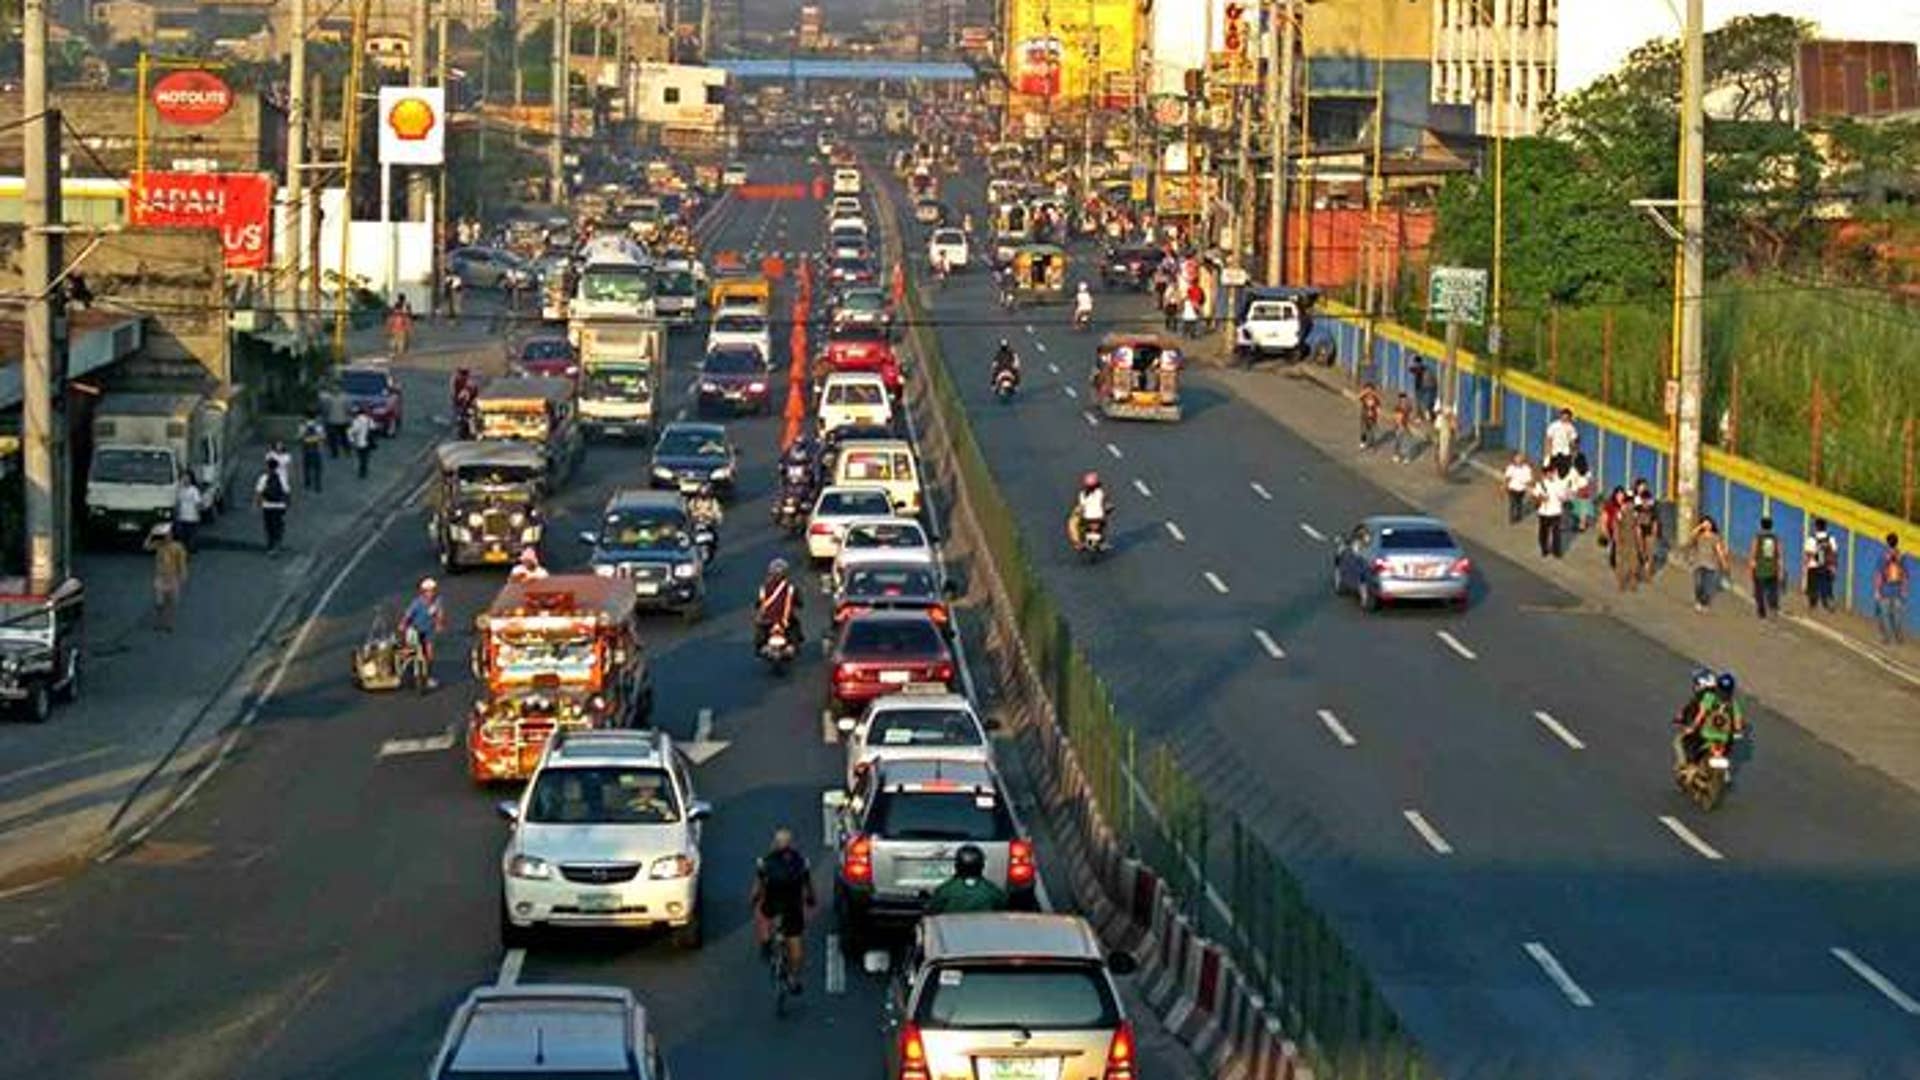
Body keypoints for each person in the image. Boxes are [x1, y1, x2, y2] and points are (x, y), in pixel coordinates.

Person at [750, 828, 816, 994]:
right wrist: (810, 899)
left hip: (772, 903)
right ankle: (793, 978)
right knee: (795, 943)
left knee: (762, 913)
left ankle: (765, 943)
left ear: (775, 844)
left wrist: (753, 899)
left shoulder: (765, 862)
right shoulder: (801, 861)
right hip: (793, 907)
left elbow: (757, 888)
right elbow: (808, 888)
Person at [1673, 671, 1745, 770]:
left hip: (1706, 734)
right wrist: (1737, 732)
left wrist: (1692, 727)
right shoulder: (1734, 704)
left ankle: (1686, 766)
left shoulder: (1710, 698)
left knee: (1681, 741)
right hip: (1723, 739)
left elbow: (1701, 715)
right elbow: (1738, 724)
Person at [926, 844, 1008, 914]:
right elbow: (1003, 910)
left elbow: (932, 911)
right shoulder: (993, 891)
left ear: (957, 866)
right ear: (982, 866)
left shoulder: (945, 890)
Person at [399, 577, 446, 689]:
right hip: (415, 630)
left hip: (429, 630)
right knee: (412, 650)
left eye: (432, 591)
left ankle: (427, 676)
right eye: (428, 591)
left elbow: (440, 613)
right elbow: (408, 615)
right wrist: (403, 624)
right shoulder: (417, 603)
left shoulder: (438, 601)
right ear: (423, 592)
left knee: (429, 654)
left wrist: (439, 623)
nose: (430, 594)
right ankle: (408, 670)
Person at [144, 523, 189, 632]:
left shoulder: (177, 547)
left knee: (170, 603)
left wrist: (183, 573)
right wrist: (151, 534)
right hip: (160, 577)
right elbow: (146, 546)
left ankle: (169, 624)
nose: (167, 537)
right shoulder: (158, 544)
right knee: (159, 603)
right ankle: (158, 622)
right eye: (165, 535)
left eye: (169, 535)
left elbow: (182, 561)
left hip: (172, 577)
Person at [1684, 515, 1732, 612]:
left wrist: (1724, 563)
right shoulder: (1698, 535)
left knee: (1707, 587)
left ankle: (1704, 603)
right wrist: (1699, 527)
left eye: (1709, 523)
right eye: (1705, 523)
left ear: (1712, 524)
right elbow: (1690, 538)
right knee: (1698, 584)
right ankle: (1698, 601)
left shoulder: (1715, 537)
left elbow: (1719, 551)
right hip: (1698, 563)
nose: (1707, 525)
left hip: (1711, 565)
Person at [754, 558, 802, 649]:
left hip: (768, 619)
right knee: (796, 627)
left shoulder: (764, 587)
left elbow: (760, 602)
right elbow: (799, 602)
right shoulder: (791, 587)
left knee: (759, 628)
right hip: (785, 620)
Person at [1874, 532, 1909, 645]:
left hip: (1885, 590)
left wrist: (1877, 591)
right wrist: (1904, 590)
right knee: (1897, 616)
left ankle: (1886, 638)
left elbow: (1879, 574)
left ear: (1887, 542)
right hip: (1898, 590)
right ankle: (1899, 638)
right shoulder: (1901, 556)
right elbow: (1904, 575)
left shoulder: (1883, 556)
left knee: (1884, 615)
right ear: (1896, 542)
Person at [254, 457, 290, 555]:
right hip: (279, 505)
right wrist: (287, 504)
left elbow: (259, 491)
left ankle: (270, 545)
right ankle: (277, 543)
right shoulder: (282, 477)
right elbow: (286, 491)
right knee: (278, 524)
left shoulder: (263, 477)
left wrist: (257, 503)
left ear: (267, 466)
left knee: (269, 526)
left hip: (267, 505)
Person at [1750, 515, 1784, 619]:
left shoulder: (1757, 537)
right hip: (1773, 569)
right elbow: (1780, 554)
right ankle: (1773, 607)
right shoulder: (1775, 538)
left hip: (1760, 569)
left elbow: (1753, 553)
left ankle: (1762, 611)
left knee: (1759, 591)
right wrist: (1781, 569)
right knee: (1773, 590)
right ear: (1771, 526)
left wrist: (1751, 568)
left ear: (1761, 525)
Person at [1803, 517, 1839, 613]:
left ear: (1816, 527)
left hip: (1813, 566)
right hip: (1826, 566)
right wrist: (1834, 567)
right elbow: (1834, 553)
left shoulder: (1811, 538)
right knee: (1826, 586)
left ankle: (1812, 605)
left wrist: (1805, 565)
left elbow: (1808, 553)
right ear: (1825, 527)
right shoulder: (1831, 538)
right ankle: (1827, 603)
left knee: (1812, 587)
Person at [1068, 471, 1109, 551]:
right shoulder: (1101, 492)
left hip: (1087, 518)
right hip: (1100, 519)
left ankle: (1077, 543)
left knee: (1072, 522)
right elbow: (1104, 504)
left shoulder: (1082, 494)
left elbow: (1082, 507)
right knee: (1105, 518)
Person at [172, 475, 204, 553]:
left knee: (191, 535)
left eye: (187, 479)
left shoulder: (194, 490)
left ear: (190, 481)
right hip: (182, 517)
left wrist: (199, 511)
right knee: (183, 536)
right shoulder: (180, 490)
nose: (185, 481)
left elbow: (198, 503)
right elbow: (178, 503)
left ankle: (191, 549)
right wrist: (176, 514)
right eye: (184, 479)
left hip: (192, 517)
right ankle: (185, 550)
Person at [1501, 452, 1534, 525]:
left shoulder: (1527, 468)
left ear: (1523, 459)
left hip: (1521, 489)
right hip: (1512, 488)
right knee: (1512, 503)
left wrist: (1530, 488)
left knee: (1519, 503)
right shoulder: (1511, 468)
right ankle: (1511, 518)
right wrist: (1504, 486)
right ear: (1514, 459)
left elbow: (1529, 480)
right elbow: (1507, 478)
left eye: (1520, 458)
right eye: (1517, 458)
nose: (1519, 459)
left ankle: (1518, 515)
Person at [322, 383, 351, 459]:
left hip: (342, 421)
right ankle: (335, 453)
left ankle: (347, 451)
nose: (335, 390)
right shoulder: (329, 398)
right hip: (332, 421)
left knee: (344, 437)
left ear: (340, 389)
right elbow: (326, 409)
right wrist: (325, 417)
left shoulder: (344, 397)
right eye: (334, 389)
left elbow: (348, 409)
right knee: (333, 439)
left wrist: (348, 418)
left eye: (337, 388)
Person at [299, 413, 325, 493]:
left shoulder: (303, 425)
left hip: (306, 448)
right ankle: (318, 485)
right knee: (317, 468)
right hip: (316, 448)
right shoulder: (318, 425)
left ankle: (307, 482)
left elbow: (300, 436)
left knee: (306, 466)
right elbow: (323, 436)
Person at [348, 407, 375, 480]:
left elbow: (352, 431)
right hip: (368, 441)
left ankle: (362, 471)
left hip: (359, 442)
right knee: (365, 456)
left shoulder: (356, 421)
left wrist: (351, 440)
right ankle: (364, 469)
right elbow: (373, 428)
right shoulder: (369, 419)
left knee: (360, 457)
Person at [1358, 382, 1382, 450]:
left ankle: (1372, 443)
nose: (1369, 391)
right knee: (1363, 430)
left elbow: (1378, 407)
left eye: (1370, 390)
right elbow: (1358, 397)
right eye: (1367, 389)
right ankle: (1363, 442)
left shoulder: (1375, 398)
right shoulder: (1364, 397)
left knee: (1372, 430)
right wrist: (1364, 392)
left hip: (1373, 417)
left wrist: (1378, 416)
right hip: (1364, 416)